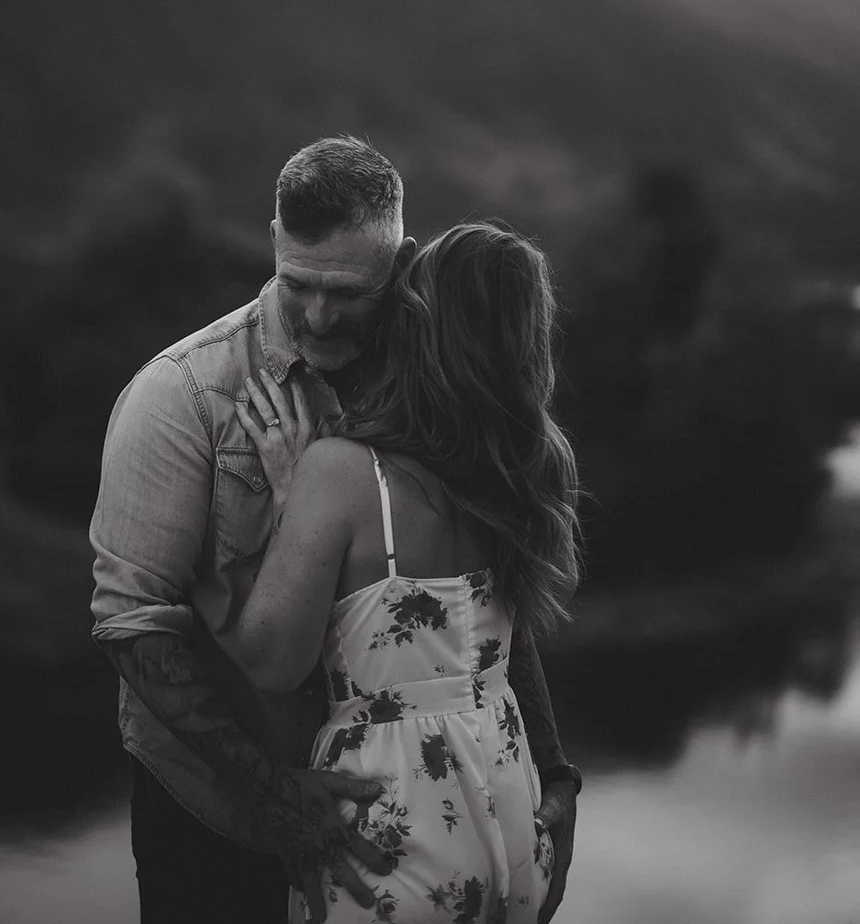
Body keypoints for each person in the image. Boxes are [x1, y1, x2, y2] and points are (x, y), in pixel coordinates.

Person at [90, 138, 579, 921]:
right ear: (273, 243)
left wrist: (554, 772)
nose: (319, 315)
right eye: (298, 284)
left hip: (408, 831)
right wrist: (273, 791)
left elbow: (483, 605)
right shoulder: (179, 396)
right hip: (216, 815)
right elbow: (132, 623)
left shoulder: (434, 381)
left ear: (402, 263)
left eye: (348, 293)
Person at [233, 218, 581, 922]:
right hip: (512, 818)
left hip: (396, 836)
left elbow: (271, 662)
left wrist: (285, 503)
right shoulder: (531, 469)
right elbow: (536, 617)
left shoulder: (339, 474)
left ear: (418, 326)